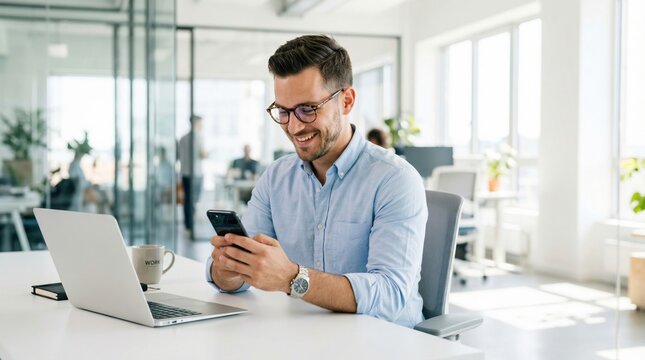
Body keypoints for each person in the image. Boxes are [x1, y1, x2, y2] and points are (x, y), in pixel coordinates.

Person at [206, 35, 427, 328]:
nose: (294, 126)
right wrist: (229, 269)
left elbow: (390, 295)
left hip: (384, 341)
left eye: (307, 109)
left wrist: (291, 277)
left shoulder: (394, 179)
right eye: (283, 111)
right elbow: (240, 273)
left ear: (346, 100)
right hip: (307, 334)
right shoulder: (276, 178)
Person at [178, 115, 208, 232]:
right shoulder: (198, 137)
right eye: (200, 123)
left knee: (187, 200)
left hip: (185, 173)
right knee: (194, 200)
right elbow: (202, 154)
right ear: (196, 123)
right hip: (196, 173)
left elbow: (179, 156)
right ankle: (191, 224)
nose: (202, 125)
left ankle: (188, 225)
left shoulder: (183, 138)